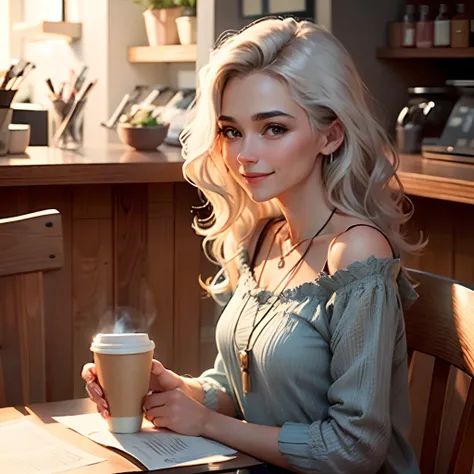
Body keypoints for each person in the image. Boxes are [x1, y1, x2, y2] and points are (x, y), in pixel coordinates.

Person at [82, 17, 423, 473]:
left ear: (330, 135)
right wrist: (178, 390)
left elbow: (354, 449)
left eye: (274, 128)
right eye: (231, 130)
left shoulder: (357, 253)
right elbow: (241, 387)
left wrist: (207, 423)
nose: (245, 154)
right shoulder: (263, 236)